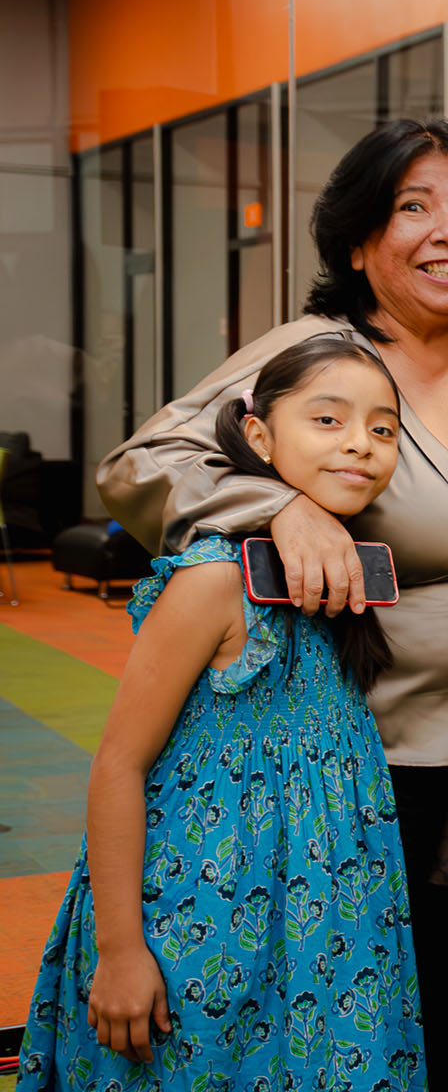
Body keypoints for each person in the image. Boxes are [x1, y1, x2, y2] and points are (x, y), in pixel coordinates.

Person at [97, 119, 448, 1088]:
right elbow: (140, 465)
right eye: (414, 207)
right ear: (358, 243)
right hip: (360, 764)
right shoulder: (322, 356)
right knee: (352, 1029)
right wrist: (280, 505)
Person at [21, 337, 425, 1089]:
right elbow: (119, 764)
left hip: (327, 920)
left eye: (383, 428)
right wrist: (120, 949)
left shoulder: (341, 576)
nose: (360, 445)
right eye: (328, 420)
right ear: (260, 437)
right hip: (198, 914)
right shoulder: (212, 581)